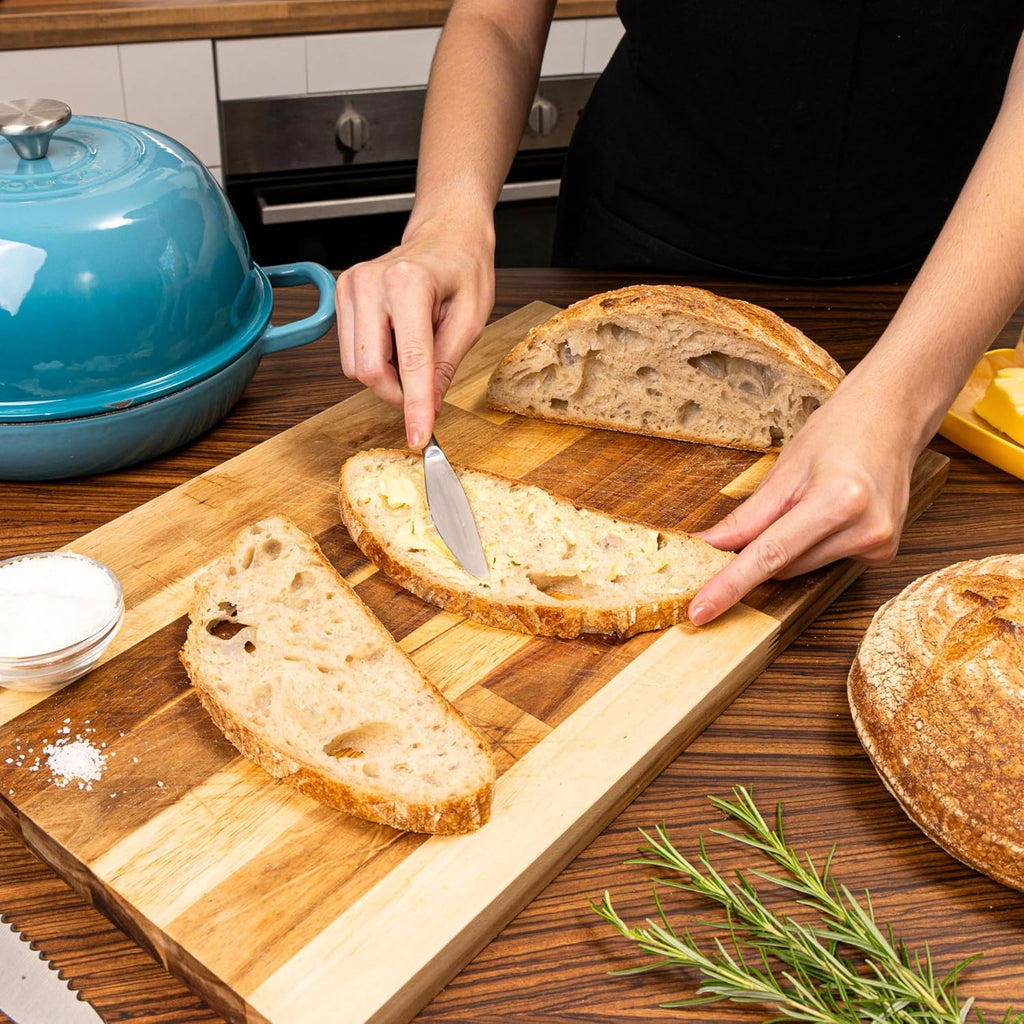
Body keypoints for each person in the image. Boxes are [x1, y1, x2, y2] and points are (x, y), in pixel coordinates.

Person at [334, 1, 1024, 626]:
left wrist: (899, 404)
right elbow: (497, 18)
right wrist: (447, 218)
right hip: (631, 237)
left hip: (951, 278)